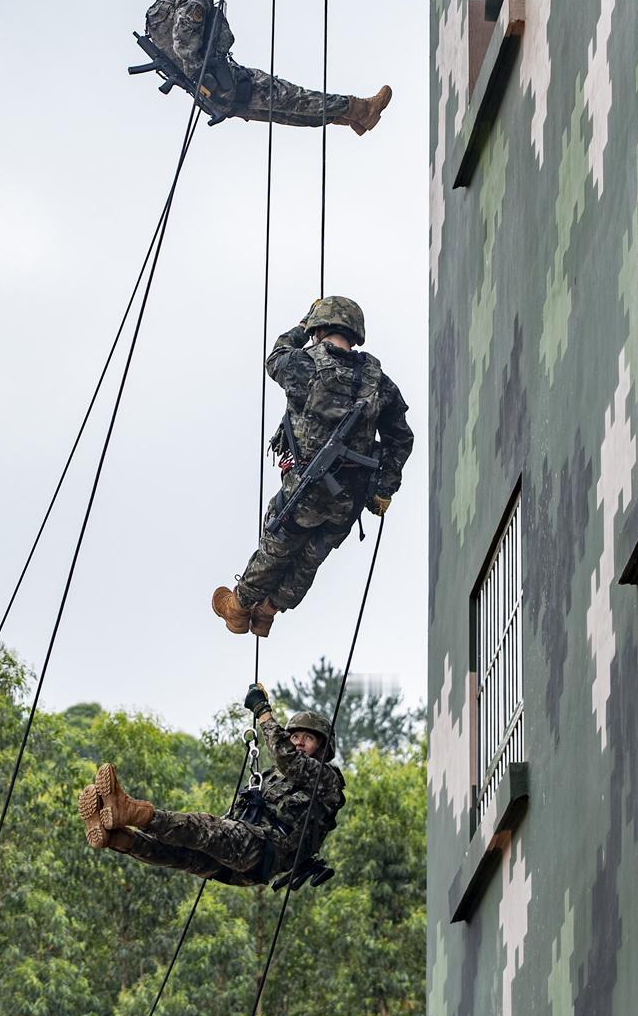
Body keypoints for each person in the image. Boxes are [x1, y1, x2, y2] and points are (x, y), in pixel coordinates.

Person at [212, 297, 413, 637]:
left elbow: (275, 356)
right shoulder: (379, 381)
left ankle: (240, 606)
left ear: (320, 329)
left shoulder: (303, 364)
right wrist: (383, 489)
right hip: (349, 498)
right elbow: (401, 439)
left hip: (306, 488)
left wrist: (303, 323)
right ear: (355, 333)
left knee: (278, 544)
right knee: (311, 557)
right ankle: (268, 612)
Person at [77, 684, 345, 887]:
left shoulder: (326, 780)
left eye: (307, 738)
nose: (298, 741)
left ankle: (129, 811)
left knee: (199, 826)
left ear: (322, 748)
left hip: (265, 849)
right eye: (294, 735)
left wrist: (263, 713)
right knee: (178, 852)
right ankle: (115, 836)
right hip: (242, 861)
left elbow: (290, 761)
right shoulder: (272, 776)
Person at [145, 0, 392, 134]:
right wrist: (207, 78)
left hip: (214, 97)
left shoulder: (165, 2)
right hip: (225, 82)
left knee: (287, 112)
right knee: (294, 97)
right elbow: (184, 46)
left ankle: (352, 119)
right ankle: (360, 109)